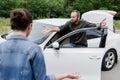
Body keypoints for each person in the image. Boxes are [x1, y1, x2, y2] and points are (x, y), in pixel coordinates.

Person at [0, 8, 80, 80]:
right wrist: (65, 75)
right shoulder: (34, 49)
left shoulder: (1, 47)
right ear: (30, 26)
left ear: (12, 26)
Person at [42, 10, 106, 47]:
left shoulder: (83, 23)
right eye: (71, 17)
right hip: (72, 44)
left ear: (78, 18)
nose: (71, 18)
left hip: (82, 46)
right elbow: (60, 28)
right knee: (63, 48)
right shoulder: (69, 23)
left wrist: (100, 24)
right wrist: (51, 29)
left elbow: (94, 25)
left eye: (73, 17)